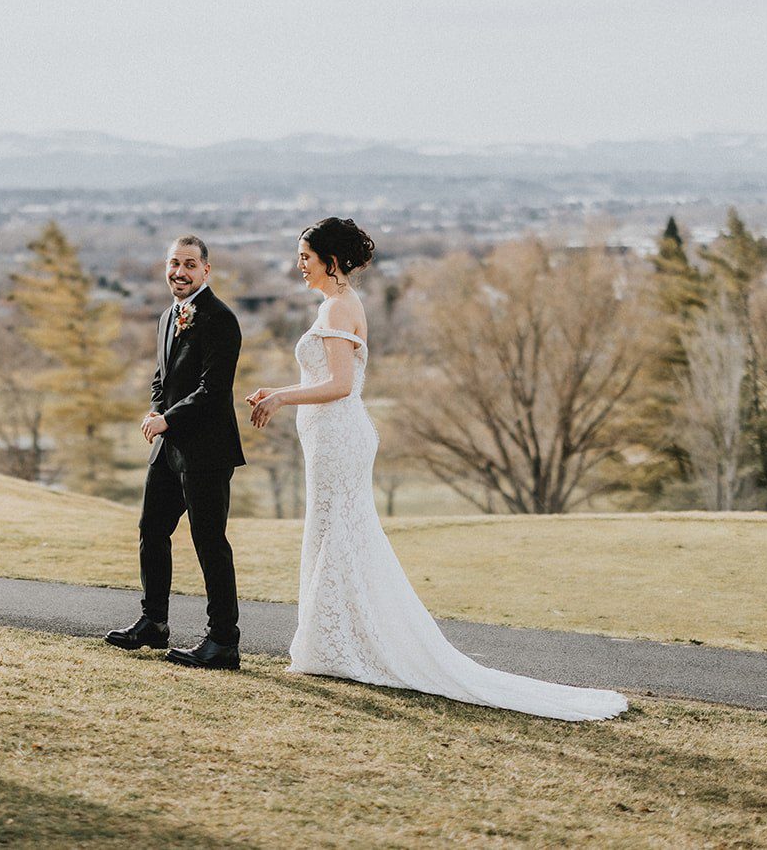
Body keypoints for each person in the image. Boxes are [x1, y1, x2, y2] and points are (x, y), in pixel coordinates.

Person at [246, 217, 628, 721]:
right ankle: (334, 640)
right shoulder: (335, 304)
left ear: (330, 261)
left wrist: (281, 398)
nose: (299, 265)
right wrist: (280, 391)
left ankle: (341, 644)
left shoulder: (339, 306)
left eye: (305, 257)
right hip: (329, 440)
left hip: (338, 440)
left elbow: (340, 385)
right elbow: (328, 376)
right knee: (335, 533)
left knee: (339, 532)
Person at [105, 234, 247, 670]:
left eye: (189, 264)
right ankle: (154, 622)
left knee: (209, 543)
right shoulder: (169, 315)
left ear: (206, 270)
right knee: (151, 530)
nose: (179, 272)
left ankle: (223, 641)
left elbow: (213, 390)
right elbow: (161, 378)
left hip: (206, 451)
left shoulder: (221, 319)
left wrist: (168, 419)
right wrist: (155, 408)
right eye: (174, 263)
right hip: (168, 449)